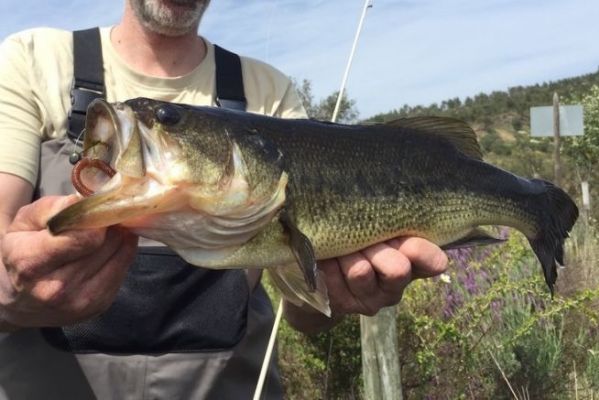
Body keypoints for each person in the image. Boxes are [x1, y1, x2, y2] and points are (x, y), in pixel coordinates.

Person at [0, 0, 448, 398]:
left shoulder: (268, 90)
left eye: (168, 120)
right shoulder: (32, 61)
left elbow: (306, 313)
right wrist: (9, 295)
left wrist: (339, 294)